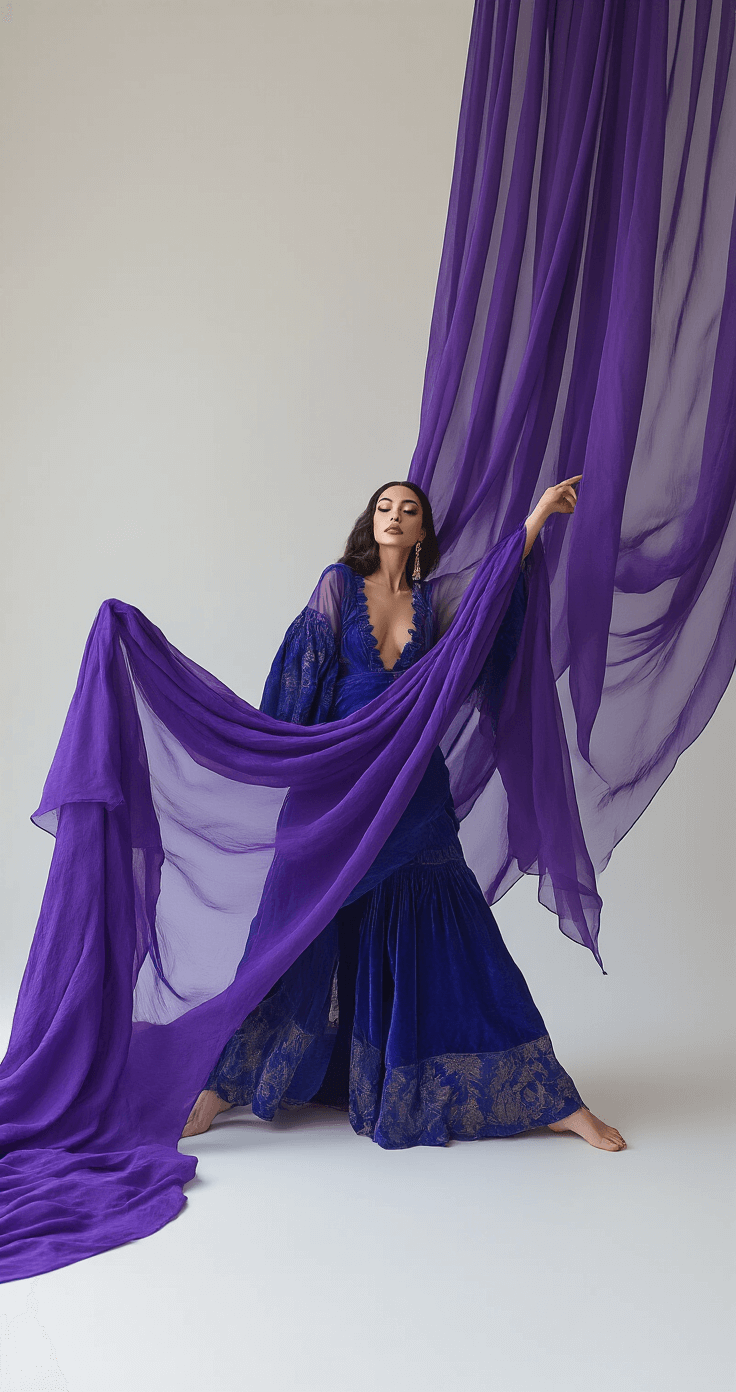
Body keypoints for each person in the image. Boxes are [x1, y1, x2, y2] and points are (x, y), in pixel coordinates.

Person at [182, 479, 625, 1152]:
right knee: (294, 926)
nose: (393, 516)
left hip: (412, 788)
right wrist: (282, 760)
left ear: (422, 533)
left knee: (459, 933)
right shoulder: (337, 585)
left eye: (408, 510)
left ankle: (551, 1098)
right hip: (336, 786)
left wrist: (534, 519)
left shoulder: (437, 601)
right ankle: (221, 1086)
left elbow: (489, 598)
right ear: (371, 522)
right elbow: (298, 681)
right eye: (384, 507)